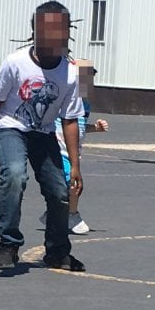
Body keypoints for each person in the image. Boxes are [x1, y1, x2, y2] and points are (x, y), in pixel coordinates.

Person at [0, 0, 85, 272]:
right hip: (11, 128)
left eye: (61, 30)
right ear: (35, 31)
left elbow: (69, 120)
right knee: (15, 174)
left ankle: (57, 251)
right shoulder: (16, 62)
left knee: (60, 192)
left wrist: (76, 165)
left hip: (43, 135)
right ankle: (8, 245)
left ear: (68, 33)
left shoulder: (70, 72)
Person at [46, 60, 108, 235]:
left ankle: (56, 212)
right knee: (73, 185)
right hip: (60, 149)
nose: (88, 83)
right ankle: (71, 215)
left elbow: (79, 127)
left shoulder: (85, 104)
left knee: (72, 186)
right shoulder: (63, 98)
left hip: (73, 153)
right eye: (84, 78)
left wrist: (95, 128)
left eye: (91, 78)